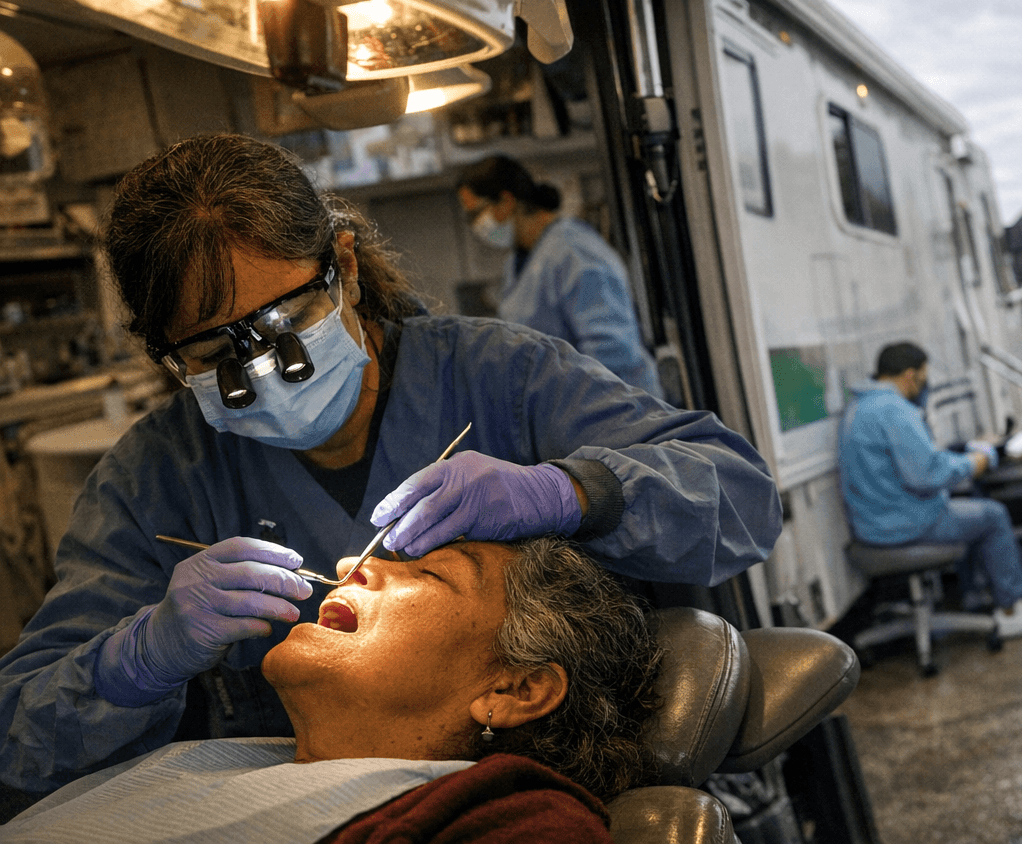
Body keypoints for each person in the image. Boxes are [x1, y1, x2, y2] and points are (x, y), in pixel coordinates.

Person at [0, 133, 778, 804]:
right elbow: (17, 734)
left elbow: (741, 497)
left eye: (287, 323)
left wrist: (571, 491)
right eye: (213, 354)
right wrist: (140, 658)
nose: (267, 372)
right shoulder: (156, 481)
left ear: (345, 265)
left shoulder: (498, 377)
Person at [1, 537, 663, 842]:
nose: (353, 564)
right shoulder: (226, 761)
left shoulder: (507, 821)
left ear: (515, 688)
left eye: (430, 574)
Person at [839, 342, 1022, 639]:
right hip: (904, 526)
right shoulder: (894, 410)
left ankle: (975, 597)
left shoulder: (858, 408)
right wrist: (978, 460)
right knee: (992, 515)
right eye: (923, 376)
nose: (924, 384)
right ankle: (1012, 609)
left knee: (965, 509)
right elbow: (928, 475)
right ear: (909, 376)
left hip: (871, 527)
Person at [457, 155, 663, 397]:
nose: (476, 225)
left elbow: (612, 351)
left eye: (477, 213)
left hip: (618, 409)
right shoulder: (519, 260)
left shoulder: (573, 251)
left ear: (506, 201)